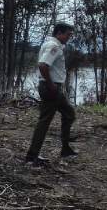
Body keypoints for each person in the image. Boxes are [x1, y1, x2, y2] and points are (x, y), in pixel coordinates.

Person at [26, 22, 77, 164]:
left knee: (69, 114)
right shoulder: (53, 46)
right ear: (59, 33)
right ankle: (32, 156)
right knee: (45, 121)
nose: (69, 37)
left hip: (53, 88)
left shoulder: (53, 45)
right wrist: (50, 84)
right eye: (68, 34)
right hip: (50, 88)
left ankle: (65, 148)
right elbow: (43, 65)